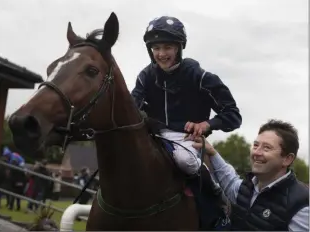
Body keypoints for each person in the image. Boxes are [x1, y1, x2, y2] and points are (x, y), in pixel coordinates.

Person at [131, 15, 242, 175]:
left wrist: (206, 125)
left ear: (179, 48)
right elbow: (131, 106)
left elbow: (233, 116)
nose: (161, 54)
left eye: (167, 47)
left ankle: (213, 187)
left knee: (185, 161)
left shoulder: (201, 77)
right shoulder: (145, 76)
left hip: (186, 139)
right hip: (153, 135)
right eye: (156, 48)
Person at [193, 119, 309, 231]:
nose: (256, 152)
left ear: (287, 159)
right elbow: (229, 179)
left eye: (266, 148)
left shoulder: (301, 205)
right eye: (255, 145)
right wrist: (212, 152)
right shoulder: (246, 188)